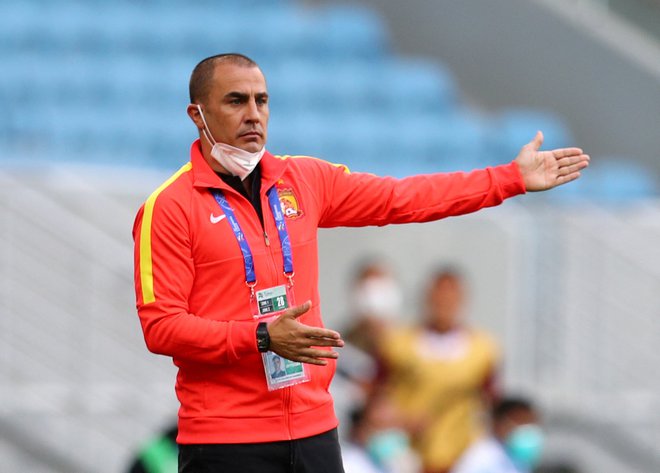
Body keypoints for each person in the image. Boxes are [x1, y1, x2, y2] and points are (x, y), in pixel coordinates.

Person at [132, 53, 589, 473]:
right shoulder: (170, 207)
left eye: (262, 100)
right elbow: (162, 328)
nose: (253, 113)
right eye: (236, 101)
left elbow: (402, 198)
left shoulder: (304, 179)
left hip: (314, 430)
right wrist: (262, 336)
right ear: (198, 115)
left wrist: (508, 179)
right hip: (226, 440)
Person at [378, 267, 500, 473]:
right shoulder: (397, 344)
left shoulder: (483, 349)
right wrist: (400, 421)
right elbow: (377, 396)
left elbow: (490, 403)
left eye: (451, 295)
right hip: (404, 454)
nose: (444, 302)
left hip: (462, 457)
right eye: (439, 294)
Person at [450, 397, 544, 473]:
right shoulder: (481, 460)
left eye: (530, 423)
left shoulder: (516, 458)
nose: (526, 430)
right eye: (520, 422)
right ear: (499, 423)